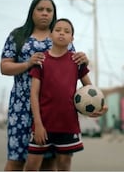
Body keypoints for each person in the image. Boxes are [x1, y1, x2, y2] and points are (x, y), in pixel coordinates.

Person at [0, 0, 108, 171]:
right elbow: (4, 67)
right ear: (32, 11)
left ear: (54, 14)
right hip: (21, 110)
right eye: (40, 9)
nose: (44, 13)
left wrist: (97, 101)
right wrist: (28, 64)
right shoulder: (18, 36)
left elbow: (76, 69)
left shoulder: (60, 35)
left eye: (49, 10)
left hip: (52, 112)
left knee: (49, 162)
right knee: (16, 160)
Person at [24, 18, 91, 171]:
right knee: (31, 167)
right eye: (58, 30)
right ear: (51, 35)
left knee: (64, 167)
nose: (62, 33)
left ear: (72, 38)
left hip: (68, 125)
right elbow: (34, 94)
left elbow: (90, 90)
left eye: (67, 31)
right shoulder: (41, 60)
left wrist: (100, 106)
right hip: (43, 125)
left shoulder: (76, 61)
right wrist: (38, 125)